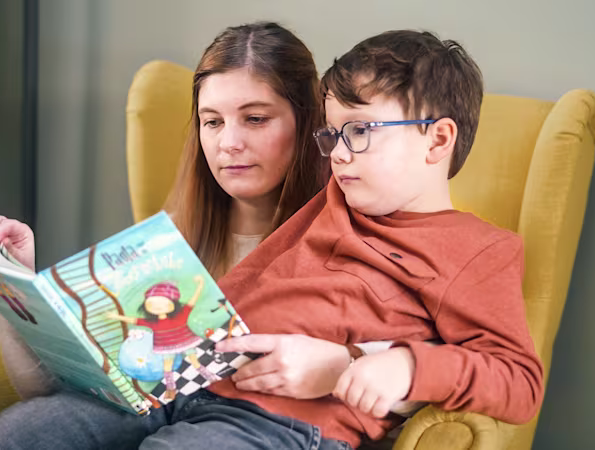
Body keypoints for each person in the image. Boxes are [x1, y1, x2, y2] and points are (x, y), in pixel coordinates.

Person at [0, 22, 344, 449]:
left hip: (269, 424)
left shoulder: (343, 236)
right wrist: (9, 281)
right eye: (212, 122)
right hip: (164, 409)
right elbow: (45, 394)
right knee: (11, 437)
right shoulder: (162, 249)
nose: (229, 143)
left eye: (255, 119)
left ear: (307, 121)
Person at [210, 30, 544, 448]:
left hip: (279, 424)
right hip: (190, 377)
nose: (339, 153)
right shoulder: (335, 194)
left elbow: (520, 380)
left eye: (362, 130)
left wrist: (404, 366)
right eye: (333, 134)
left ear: (438, 139)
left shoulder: (476, 250)